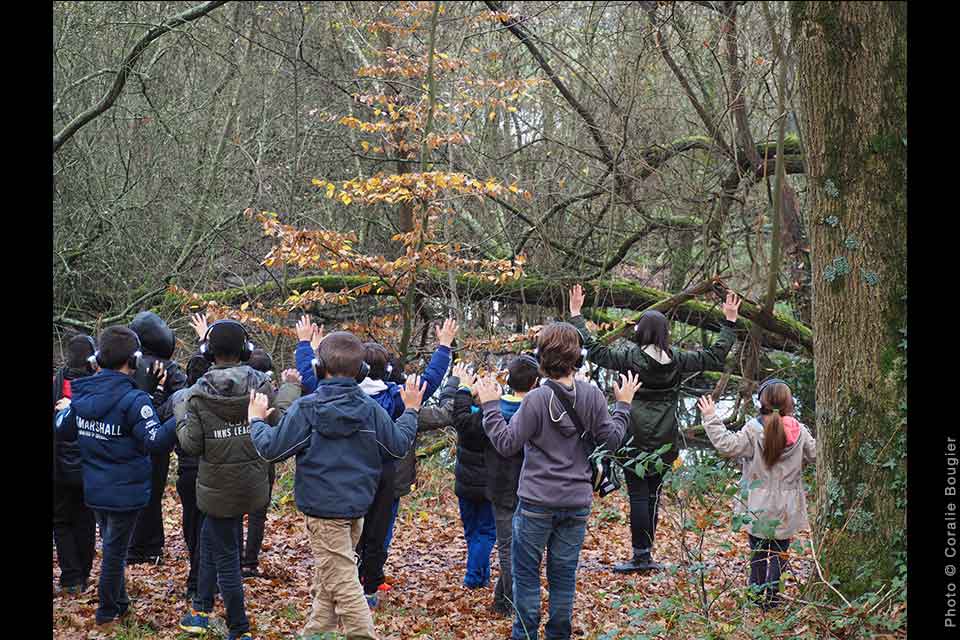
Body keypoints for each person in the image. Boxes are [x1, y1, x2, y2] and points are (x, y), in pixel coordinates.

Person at [250, 331, 424, 640]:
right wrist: (410, 411)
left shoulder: (306, 409)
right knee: (330, 573)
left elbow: (271, 449)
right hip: (356, 506)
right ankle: (318, 631)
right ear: (360, 372)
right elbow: (398, 446)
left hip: (323, 510)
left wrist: (256, 421)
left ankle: (362, 634)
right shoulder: (372, 410)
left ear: (318, 368)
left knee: (342, 579)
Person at [475, 322, 640, 640]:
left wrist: (491, 407)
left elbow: (507, 444)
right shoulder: (592, 395)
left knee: (526, 575)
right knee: (563, 575)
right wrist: (623, 405)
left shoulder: (536, 399)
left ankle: (525, 634)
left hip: (537, 502)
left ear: (542, 355)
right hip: (576, 502)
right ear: (577, 357)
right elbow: (613, 439)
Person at [568, 284, 741, 573]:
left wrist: (576, 315)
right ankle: (645, 554)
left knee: (638, 495)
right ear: (664, 334)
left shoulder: (629, 357)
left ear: (641, 333)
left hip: (632, 434)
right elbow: (714, 355)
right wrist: (729, 322)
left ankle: (640, 556)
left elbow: (595, 350)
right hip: (665, 437)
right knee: (653, 495)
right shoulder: (677, 359)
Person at [293, 315, 455, 606]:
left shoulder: (326, 393)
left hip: (345, 474)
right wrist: (443, 346)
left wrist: (308, 346)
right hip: (384, 476)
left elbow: (308, 373)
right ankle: (370, 585)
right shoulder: (396, 396)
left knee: (346, 529)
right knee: (379, 532)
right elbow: (429, 381)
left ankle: (345, 582)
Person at [176, 320, 301, 640]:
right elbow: (278, 422)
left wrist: (179, 412)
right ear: (245, 351)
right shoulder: (261, 385)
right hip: (251, 484)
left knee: (227, 559)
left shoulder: (196, 394)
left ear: (208, 352)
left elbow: (192, 445)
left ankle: (238, 627)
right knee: (209, 537)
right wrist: (289, 387)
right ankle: (201, 608)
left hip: (216, 489)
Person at [54, 326, 176, 629]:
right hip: (125, 492)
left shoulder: (81, 395)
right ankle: (107, 612)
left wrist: (69, 411)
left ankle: (120, 604)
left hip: (95, 487)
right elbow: (156, 442)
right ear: (134, 360)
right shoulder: (136, 401)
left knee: (112, 545)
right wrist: (180, 419)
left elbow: (63, 429)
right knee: (114, 553)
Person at [699, 380, 815, 609]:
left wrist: (711, 417)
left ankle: (754, 596)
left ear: (761, 401)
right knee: (781, 552)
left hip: (757, 504)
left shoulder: (753, 429)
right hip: (787, 505)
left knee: (759, 552)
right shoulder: (800, 432)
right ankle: (773, 599)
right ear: (789, 403)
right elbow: (817, 454)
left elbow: (727, 445)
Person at [127, 310, 189, 565]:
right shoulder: (169, 368)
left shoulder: (129, 364)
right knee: (151, 494)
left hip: (132, 437)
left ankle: (140, 546)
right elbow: (181, 401)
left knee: (138, 493)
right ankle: (149, 546)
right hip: (157, 438)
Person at [52, 334, 99, 595]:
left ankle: (71, 577)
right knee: (85, 519)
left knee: (61, 520)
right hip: (89, 465)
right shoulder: (97, 385)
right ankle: (82, 573)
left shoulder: (57, 382)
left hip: (59, 467)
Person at [449, 363, 497, 591]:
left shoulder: (465, 420)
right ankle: (474, 576)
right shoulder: (497, 419)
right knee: (486, 533)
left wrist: (463, 386)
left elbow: (456, 408)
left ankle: (479, 576)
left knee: (473, 533)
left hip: (466, 485)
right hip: (489, 487)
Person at [240, 348, 278, 578]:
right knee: (257, 513)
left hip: (235, 454)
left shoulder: (229, 387)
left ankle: (235, 558)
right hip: (262, 456)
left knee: (232, 508)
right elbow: (277, 421)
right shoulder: (267, 392)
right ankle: (250, 562)